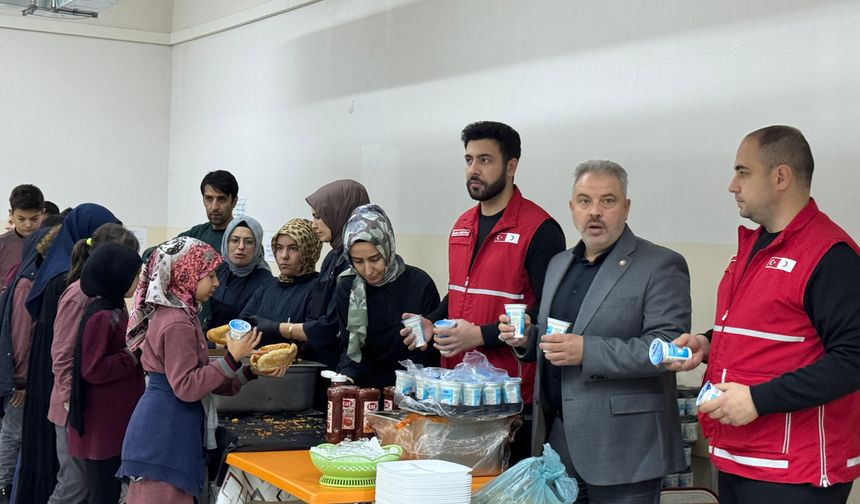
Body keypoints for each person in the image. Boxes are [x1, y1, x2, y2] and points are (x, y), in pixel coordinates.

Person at [669, 126, 860, 504]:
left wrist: (759, 399)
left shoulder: (831, 256)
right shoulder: (754, 245)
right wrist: (708, 342)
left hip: (795, 471)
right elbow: (764, 325)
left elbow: (853, 358)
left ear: (780, 176)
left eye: (743, 172)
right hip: (741, 456)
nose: (732, 185)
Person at [498, 160, 690, 503]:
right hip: (558, 440)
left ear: (626, 207)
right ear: (572, 208)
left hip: (624, 448)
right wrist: (527, 339)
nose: (595, 212)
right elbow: (554, 335)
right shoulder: (559, 264)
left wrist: (588, 351)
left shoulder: (660, 264)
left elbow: (669, 348)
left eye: (608, 201)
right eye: (585, 201)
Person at [409, 121, 565, 462]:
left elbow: (551, 314)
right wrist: (432, 322)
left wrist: (480, 335)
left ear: (511, 166)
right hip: (456, 390)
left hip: (509, 398)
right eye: (468, 160)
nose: (473, 170)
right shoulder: (462, 225)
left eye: (484, 160)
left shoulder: (540, 230)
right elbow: (460, 295)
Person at [117, 237, 286, 503]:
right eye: (209, 276)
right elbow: (187, 386)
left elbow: (201, 375)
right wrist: (231, 358)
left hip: (171, 427)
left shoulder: (184, 314)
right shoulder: (176, 323)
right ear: (185, 273)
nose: (216, 283)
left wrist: (249, 371)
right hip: (165, 432)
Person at [18, 203, 123, 504]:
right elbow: (62, 349)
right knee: (69, 481)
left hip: (62, 388)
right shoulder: (68, 282)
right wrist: (66, 396)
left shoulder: (74, 274)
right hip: (61, 390)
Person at [44, 223, 140, 504]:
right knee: (74, 487)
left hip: (94, 409)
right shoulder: (81, 297)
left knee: (94, 487)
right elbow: (63, 355)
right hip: (75, 407)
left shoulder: (110, 298)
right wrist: (68, 400)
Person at [67, 243, 144, 504]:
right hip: (102, 427)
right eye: (135, 276)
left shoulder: (115, 308)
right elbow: (92, 369)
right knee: (103, 495)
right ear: (117, 277)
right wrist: (132, 355)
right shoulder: (102, 315)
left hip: (113, 423)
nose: (138, 281)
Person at [335, 204, 440, 390]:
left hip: (412, 389)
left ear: (388, 249)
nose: (367, 270)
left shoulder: (419, 284)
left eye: (375, 259)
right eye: (358, 262)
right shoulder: (348, 286)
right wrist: (346, 379)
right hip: (366, 390)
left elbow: (430, 353)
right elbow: (350, 348)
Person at [281, 180, 370, 371]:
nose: (314, 225)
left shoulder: (356, 261)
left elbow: (332, 324)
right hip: (320, 360)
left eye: (319, 217)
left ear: (340, 213)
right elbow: (317, 313)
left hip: (348, 364)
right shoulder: (332, 257)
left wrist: (280, 328)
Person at [0, 226, 54, 503]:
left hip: (23, 376)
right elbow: (20, 336)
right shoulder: (27, 282)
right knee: (13, 435)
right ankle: (4, 489)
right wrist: (20, 381)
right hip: (19, 379)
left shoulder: (32, 277)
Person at [239, 218, 322, 349]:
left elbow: (314, 337)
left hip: (298, 366)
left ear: (309, 251)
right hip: (257, 362)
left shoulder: (319, 287)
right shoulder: (268, 285)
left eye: (293, 248)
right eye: (279, 248)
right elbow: (243, 324)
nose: (284, 256)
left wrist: (275, 330)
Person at [204, 216, 271, 332]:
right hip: (213, 344)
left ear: (257, 247)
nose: (241, 247)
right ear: (226, 242)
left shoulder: (265, 281)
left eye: (249, 242)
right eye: (235, 240)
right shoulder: (220, 269)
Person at [178, 170, 240, 251]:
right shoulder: (195, 234)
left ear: (234, 202)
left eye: (221, 199)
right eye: (209, 199)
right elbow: (161, 253)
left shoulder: (244, 238)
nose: (214, 207)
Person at [0, 184, 44, 290]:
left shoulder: (52, 244)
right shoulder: (2, 245)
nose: (28, 225)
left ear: (42, 213)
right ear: (11, 214)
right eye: (21, 219)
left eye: (34, 219)